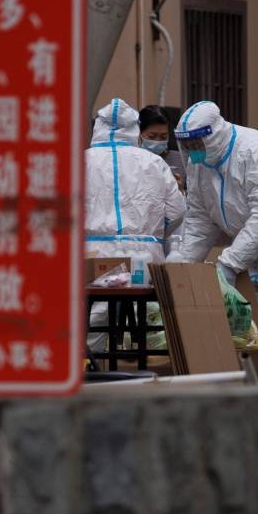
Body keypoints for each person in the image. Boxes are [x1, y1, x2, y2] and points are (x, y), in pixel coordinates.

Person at [166, 101, 258, 348]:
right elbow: (200, 218)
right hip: (256, 262)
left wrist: (230, 263)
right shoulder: (199, 164)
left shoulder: (256, 151)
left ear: (214, 134)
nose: (192, 150)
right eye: (187, 145)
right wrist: (184, 264)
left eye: (196, 143)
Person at [85, 99, 186, 352]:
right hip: (144, 260)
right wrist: (153, 233)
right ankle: (141, 374)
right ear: (134, 128)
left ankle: (92, 375)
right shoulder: (153, 163)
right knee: (145, 324)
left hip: (92, 258)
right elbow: (177, 211)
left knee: (93, 321)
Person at [139, 105, 185, 191]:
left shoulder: (180, 159)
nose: (157, 141)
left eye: (163, 137)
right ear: (139, 133)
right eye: (151, 136)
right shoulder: (133, 160)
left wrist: (180, 191)